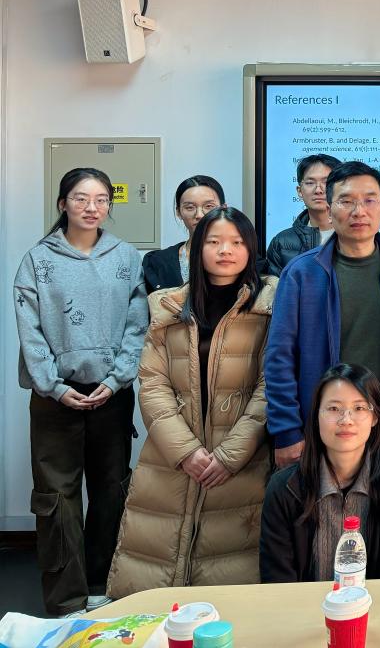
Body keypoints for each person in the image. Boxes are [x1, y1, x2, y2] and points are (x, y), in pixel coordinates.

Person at [108, 208, 277, 596]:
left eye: (236, 242)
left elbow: (270, 386)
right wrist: (185, 451)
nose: (225, 250)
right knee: (154, 573)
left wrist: (230, 455)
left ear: (251, 249)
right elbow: (152, 383)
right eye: (214, 242)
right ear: (197, 248)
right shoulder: (166, 307)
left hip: (240, 460)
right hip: (171, 459)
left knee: (229, 581)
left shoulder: (269, 306)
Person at [14, 167, 147, 616]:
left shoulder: (126, 257)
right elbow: (30, 331)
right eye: (80, 198)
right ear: (62, 204)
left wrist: (116, 379)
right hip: (55, 398)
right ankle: (66, 597)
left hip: (111, 394)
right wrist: (53, 386)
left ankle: (100, 584)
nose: (92, 208)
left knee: (111, 490)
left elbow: (137, 326)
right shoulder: (38, 260)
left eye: (101, 199)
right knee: (57, 498)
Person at [264, 161, 380, 471]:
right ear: (329, 210)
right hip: (322, 430)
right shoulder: (302, 273)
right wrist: (286, 430)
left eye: (369, 200)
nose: (359, 211)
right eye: (346, 201)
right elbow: (279, 357)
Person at [259, 364, 380, 582]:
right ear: (316, 416)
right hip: (304, 604)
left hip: (374, 603)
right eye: (334, 408)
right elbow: (278, 583)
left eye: (359, 408)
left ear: (375, 417)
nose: (346, 420)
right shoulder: (284, 489)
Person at [142, 175, 225, 294]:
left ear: (223, 209)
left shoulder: (241, 257)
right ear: (178, 212)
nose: (199, 215)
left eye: (209, 206)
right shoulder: (158, 262)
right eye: (190, 207)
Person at [265, 153, 341, 274]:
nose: (318, 190)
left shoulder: (358, 236)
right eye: (310, 183)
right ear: (299, 191)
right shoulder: (281, 242)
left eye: (326, 182)